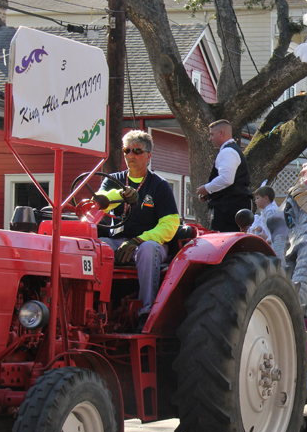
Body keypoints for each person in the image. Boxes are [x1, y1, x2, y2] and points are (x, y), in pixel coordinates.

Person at [94, 130, 180, 330]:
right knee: (95, 247)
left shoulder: (159, 186)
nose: (130, 155)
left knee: (148, 250)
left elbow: (169, 225)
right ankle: (97, 312)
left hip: (149, 244)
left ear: (149, 156)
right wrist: (120, 195)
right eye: (127, 150)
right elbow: (98, 203)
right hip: (115, 242)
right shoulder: (112, 180)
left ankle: (146, 313)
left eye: (137, 151)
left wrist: (137, 241)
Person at [196, 120, 253, 232]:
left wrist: (207, 189)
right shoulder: (231, 150)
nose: (210, 138)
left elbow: (227, 179)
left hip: (230, 209)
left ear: (221, 133)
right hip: (232, 205)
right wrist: (210, 194)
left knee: (224, 242)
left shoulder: (228, 152)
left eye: (212, 134)